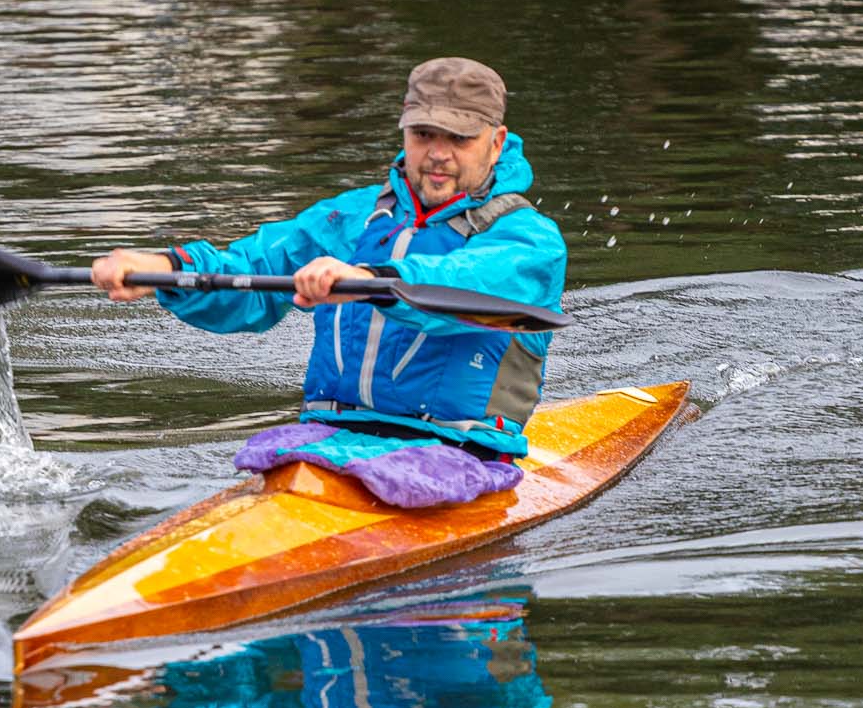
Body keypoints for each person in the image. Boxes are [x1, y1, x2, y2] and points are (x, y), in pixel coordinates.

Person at [89, 57, 564, 460]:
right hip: (328, 439)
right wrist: (167, 270)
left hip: (458, 450)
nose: (437, 154)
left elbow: (465, 283)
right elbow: (254, 269)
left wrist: (365, 276)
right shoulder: (349, 217)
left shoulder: (529, 240)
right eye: (423, 134)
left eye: (458, 139)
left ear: (496, 141)